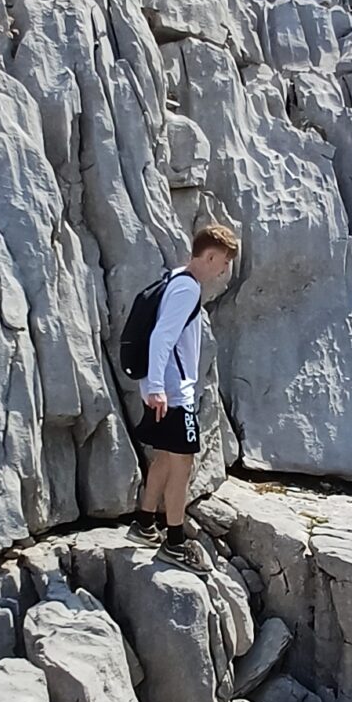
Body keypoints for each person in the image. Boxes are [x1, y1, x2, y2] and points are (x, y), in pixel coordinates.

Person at [130, 224, 241, 560]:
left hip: (162, 389)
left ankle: (144, 523)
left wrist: (153, 387)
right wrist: (159, 389)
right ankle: (175, 542)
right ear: (210, 257)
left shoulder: (176, 278)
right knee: (183, 464)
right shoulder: (187, 289)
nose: (224, 270)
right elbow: (162, 337)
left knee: (165, 456)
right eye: (224, 262)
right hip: (173, 394)